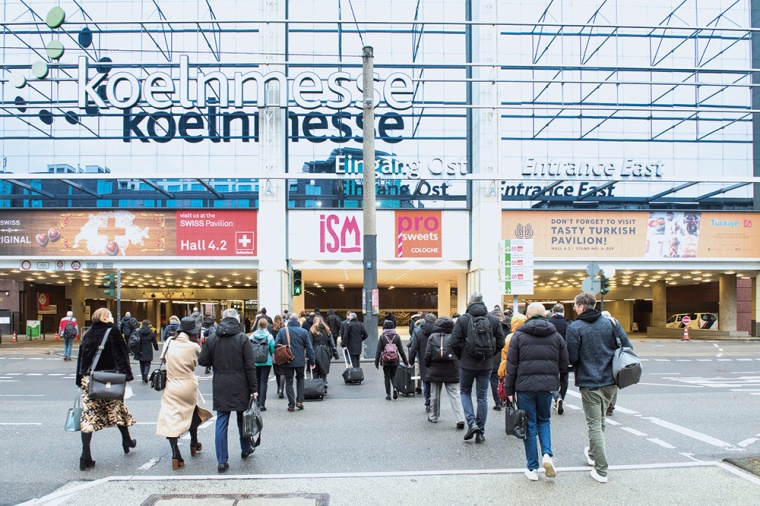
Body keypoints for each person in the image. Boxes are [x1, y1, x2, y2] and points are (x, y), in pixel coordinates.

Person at [566, 292, 634, 484]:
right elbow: (627, 347)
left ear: (580, 307)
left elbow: (572, 358)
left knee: (594, 424)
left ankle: (601, 469)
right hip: (611, 380)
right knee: (600, 420)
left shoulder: (575, 327)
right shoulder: (611, 323)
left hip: (589, 381)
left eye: (574, 306)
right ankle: (594, 455)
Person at [504, 302, 568, 481]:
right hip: (547, 386)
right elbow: (564, 364)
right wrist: (561, 386)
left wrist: (509, 388)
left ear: (527, 316)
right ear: (545, 315)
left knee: (529, 424)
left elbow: (512, 365)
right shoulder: (555, 336)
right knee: (544, 420)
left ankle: (532, 468)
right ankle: (547, 454)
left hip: (524, 386)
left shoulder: (519, 336)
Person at [75, 307, 136, 471]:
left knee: (88, 416)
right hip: (109, 378)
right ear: (105, 317)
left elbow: (82, 357)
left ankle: (85, 455)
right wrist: (127, 377)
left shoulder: (88, 333)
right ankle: (126, 440)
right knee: (117, 409)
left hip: (90, 380)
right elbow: (121, 355)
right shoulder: (113, 331)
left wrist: (80, 379)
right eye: (109, 315)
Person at [198, 308, 258, 474]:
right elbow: (250, 366)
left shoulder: (212, 339)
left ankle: (222, 461)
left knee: (222, 421)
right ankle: (245, 448)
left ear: (222, 319)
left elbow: (203, 361)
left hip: (221, 383)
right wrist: (254, 388)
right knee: (243, 418)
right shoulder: (242, 339)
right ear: (237, 320)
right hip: (241, 383)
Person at [156, 317, 213, 470]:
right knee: (191, 412)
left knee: (170, 418)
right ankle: (194, 442)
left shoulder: (169, 342)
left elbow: (163, 358)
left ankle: (176, 453)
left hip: (171, 383)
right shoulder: (193, 347)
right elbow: (196, 363)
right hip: (188, 384)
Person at [450, 291, 506, 443]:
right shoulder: (493, 320)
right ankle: (480, 431)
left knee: (465, 392)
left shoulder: (463, 320)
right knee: (482, 397)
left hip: (467, 364)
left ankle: (471, 423)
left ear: (470, 303)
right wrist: (490, 354)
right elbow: (501, 341)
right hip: (486, 364)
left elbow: (453, 342)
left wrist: (462, 356)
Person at [424, 316, 465, 428]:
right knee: (455, 395)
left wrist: (427, 365)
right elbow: (458, 353)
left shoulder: (432, 336)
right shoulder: (454, 336)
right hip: (451, 369)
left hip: (435, 369)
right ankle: (460, 418)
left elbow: (428, 354)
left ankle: (433, 416)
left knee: (435, 395)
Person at [274, 313, 316, 411]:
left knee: (289, 381)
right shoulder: (304, 331)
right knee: (300, 379)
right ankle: (299, 401)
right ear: (297, 321)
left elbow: (275, 345)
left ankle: (291, 404)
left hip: (287, 360)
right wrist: (312, 361)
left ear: (288, 320)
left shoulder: (282, 331)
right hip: (300, 360)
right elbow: (309, 347)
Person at [408, 313, 437, 412]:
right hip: (437, 361)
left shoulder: (419, 332)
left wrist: (410, 362)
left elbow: (414, 349)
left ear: (425, 321)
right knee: (435, 383)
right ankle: (435, 403)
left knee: (426, 382)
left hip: (424, 361)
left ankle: (428, 402)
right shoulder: (438, 331)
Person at [374, 320, 407, 400]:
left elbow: (378, 350)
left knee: (387, 376)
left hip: (385, 360)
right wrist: (405, 361)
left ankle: (388, 394)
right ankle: (395, 388)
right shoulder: (397, 336)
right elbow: (401, 350)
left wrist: (376, 361)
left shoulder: (382, 337)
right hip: (395, 360)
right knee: (393, 375)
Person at [250, 318, 275, 411]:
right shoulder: (269, 336)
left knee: (256, 381)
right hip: (266, 361)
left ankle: (256, 402)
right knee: (264, 381)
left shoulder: (252, 336)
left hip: (255, 361)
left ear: (258, 325)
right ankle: (262, 404)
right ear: (266, 325)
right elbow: (273, 348)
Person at [548, 303, 569, 415]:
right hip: (565, 354)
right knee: (564, 378)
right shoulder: (568, 323)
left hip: (551, 355)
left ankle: (557, 396)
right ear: (564, 312)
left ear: (553, 312)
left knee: (552, 378)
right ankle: (561, 399)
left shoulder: (548, 323)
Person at [489, 308, 510, 412]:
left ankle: (498, 402)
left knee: (494, 380)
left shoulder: (490, 326)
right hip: (506, 356)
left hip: (494, 355)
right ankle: (506, 399)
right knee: (506, 379)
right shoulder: (508, 326)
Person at [601, 311, 620, 416]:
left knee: (603, 382)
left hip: (602, 358)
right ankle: (611, 405)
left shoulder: (598, 327)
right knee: (614, 383)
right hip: (615, 358)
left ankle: (605, 403)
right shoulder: (616, 325)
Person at [310, 315, 338, 385]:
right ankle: (324, 384)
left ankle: (316, 386)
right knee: (324, 369)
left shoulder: (312, 330)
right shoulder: (327, 329)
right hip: (326, 350)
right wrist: (335, 354)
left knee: (315, 370)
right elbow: (332, 343)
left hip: (315, 351)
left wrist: (308, 355)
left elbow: (309, 344)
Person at [271, 314, 286, 398]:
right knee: (283, 371)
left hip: (275, 352)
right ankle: (281, 388)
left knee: (277, 372)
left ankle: (278, 387)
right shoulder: (284, 329)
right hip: (283, 352)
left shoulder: (272, 329)